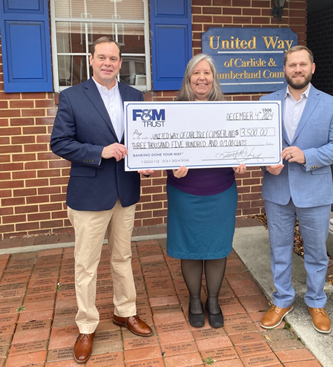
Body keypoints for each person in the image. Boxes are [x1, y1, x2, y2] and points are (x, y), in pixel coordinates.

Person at [50, 37, 153, 364]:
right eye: (102, 57)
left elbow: (142, 141)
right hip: (89, 192)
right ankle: (87, 325)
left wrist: (147, 160)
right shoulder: (72, 97)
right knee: (87, 263)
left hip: (125, 190)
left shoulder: (134, 96)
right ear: (91, 60)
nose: (108, 63)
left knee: (122, 256)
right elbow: (60, 143)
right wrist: (100, 151)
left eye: (114, 58)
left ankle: (125, 312)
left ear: (121, 63)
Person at [259, 45, 333, 334]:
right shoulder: (266, 102)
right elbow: (259, 145)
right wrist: (266, 164)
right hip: (277, 188)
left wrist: (307, 155)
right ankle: (282, 300)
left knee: (316, 252)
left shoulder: (330, 104)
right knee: (279, 249)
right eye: (291, 65)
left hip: (315, 190)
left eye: (302, 64)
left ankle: (316, 301)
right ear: (284, 70)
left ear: (312, 68)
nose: (297, 69)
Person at [166, 53, 246, 328]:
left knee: (216, 247)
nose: (202, 78)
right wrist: (170, 166)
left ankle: (213, 299)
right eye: (196, 73)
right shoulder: (174, 110)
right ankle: (194, 299)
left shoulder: (227, 110)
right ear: (188, 78)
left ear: (214, 79)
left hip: (221, 189)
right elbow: (163, 148)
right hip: (184, 189)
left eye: (207, 73)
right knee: (189, 247)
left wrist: (241, 160)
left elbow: (239, 144)